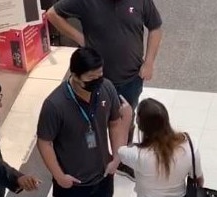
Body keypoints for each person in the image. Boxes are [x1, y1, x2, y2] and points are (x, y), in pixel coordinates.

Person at [36, 47, 132, 197]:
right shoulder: (55, 104)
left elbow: (115, 122)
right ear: (75, 75)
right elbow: (45, 142)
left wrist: (117, 157)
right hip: (72, 183)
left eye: (100, 75)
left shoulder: (106, 88)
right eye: (91, 78)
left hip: (102, 176)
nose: (97, 81)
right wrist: (60, 176)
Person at [46, 0, 163, 180]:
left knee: (125, 118)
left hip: (130, 78)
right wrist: (81, 39)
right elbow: (52, 14)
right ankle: (96, 158)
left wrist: (149, 63)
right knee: (93, 120)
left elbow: (155, 27)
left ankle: (123, 159)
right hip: (96, 81)